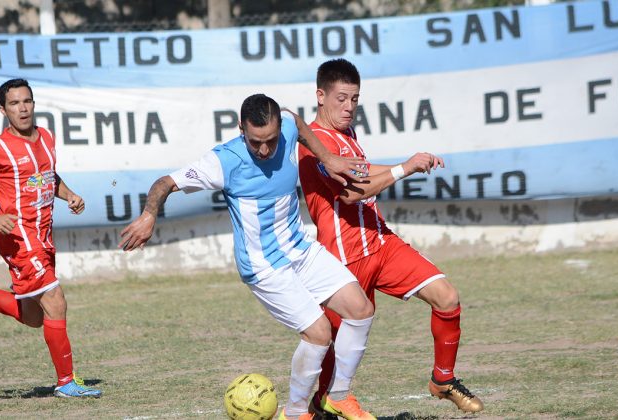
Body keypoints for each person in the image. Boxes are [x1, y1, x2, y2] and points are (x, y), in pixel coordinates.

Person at [120, 94, 376, 420]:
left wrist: (328, 157)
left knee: (360, 309)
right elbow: (165, 183)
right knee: (319, 333)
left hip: (299, 249)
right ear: (241, 129)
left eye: (270, 141)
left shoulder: (284, 126)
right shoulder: (224, 160)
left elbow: (296, 122)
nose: (265, 150)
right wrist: (149, 215)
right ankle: (296, 414)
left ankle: (337, 395)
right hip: (263, 267)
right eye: (256, 142)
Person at [298, 59, 484, 416]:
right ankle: (310, 412)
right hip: (344, 258)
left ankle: (443, 379)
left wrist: (407, 163)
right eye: (341, 98)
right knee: (330, 355)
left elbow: (365, 172)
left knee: (447, 297)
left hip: (380, 241)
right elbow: (350, 193)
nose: (349, 107)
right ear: (320, 96)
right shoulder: (316, 143)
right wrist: (404, 168)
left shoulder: (345, 133)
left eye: (355, 99)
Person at [0, 78, 101, 399]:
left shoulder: (47, 137)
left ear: (34, 104)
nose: (22, 108)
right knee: (56, 301)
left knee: (34, 317)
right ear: (3, 109)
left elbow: (48, 177)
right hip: (20, 239)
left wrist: (69, 195)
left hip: (43, 236)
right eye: (14, 104)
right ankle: (66, 382)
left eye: (27, 101)